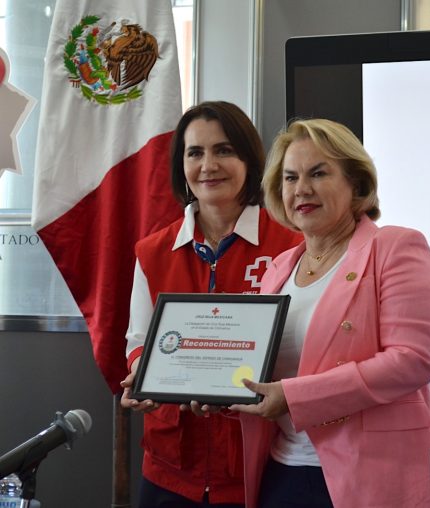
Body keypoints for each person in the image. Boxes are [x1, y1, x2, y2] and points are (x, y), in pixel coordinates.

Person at [227, 118, 430, 508]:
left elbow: (412, 361)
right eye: (290, 178)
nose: (301, 189)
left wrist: (295, 398)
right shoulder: (277, 269)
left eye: (318, 173)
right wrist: (211, 388)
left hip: (372, 476)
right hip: (282, 470)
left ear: (356, 184)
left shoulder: (395, 247)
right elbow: (262, 369)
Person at [120, 101, 302, 507]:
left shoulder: (291, 243)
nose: (208, 165)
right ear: (180, 164)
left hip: (259, 461)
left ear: (249, 158)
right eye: (195, 153)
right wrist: (142, 375)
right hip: (171, 466)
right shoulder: (153, 250)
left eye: (224, 150)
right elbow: (139, 340)